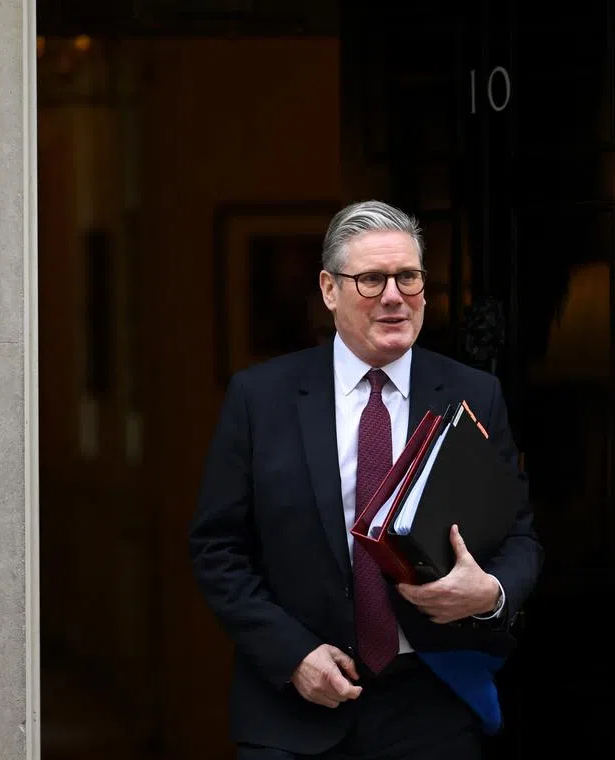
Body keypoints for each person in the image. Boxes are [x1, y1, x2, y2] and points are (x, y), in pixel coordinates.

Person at [188, 200, 543, 760]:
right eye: (372, 279)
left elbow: (519, 536)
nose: (394, 296)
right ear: (329, 290)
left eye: (409, 277)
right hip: (294, 711)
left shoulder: (475, 394)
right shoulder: (261, 399)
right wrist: (291, 654)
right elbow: (218, 549)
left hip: (433, 704)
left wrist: (491, 593)